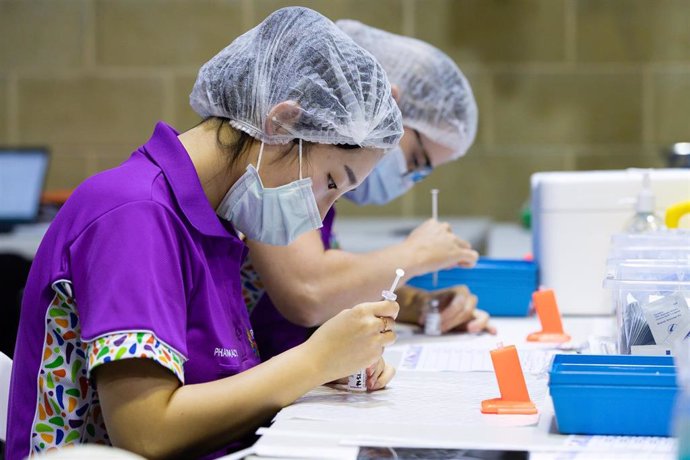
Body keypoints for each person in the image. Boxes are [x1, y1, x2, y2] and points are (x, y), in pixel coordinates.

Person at [6, 8, 404, 460]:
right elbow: (146, 432)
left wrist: (323, 368)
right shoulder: (134, 214)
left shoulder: (214, 223)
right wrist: (312, 362)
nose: (319, 216)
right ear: (282, 123)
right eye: (331, 182)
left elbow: (211, 388)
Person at [242, 20, 496, 363]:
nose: (410, 177)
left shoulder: (319, 187)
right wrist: (416, 253)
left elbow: (334, 287)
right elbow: (307, 290)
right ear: (384, 103)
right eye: (416, 159)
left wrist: (414, 304)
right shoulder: (275, 161)